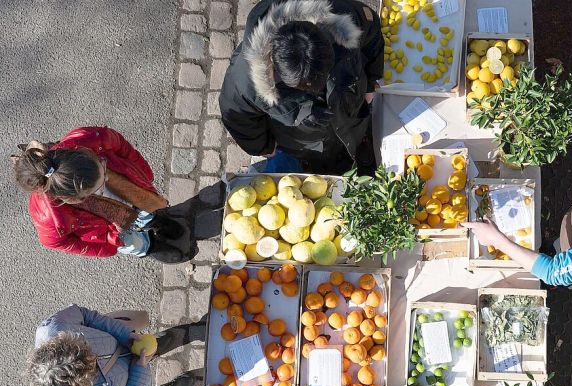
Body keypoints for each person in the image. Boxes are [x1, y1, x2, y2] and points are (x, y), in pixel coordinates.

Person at [220, 0, 384, 174]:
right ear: (277, 71)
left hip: (350, 114)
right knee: (320, 160)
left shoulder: (343, 18)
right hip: (304, 141)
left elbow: (371, 31)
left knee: (353, 140)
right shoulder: (245, 81)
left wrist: (371, 83)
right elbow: (238, 118)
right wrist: (265, 147)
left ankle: (355, 150)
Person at [12, 127, 193, 262]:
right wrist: (108, 245)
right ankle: (149, 246)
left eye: (103, 168)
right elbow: (58, 242)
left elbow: (119, 145)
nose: (106, 176)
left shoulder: (88, 139)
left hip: (129, 194)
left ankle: (155, 221)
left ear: (85, 153)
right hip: (109, 230)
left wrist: (144, 174)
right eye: (99, 186)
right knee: (131, 242)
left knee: (146, 208)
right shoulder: (49, 220)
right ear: (78, 199)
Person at [28, 305, 197, 386]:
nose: (95, 356)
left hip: (129, 345)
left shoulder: (54, 328)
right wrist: (140, 370)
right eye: (91, 366)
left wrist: (125, 334)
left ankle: (168, 341)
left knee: (154, 342)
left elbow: (85, 316)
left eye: (86, 347)